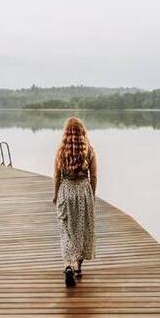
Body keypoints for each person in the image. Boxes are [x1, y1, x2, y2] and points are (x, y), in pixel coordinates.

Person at [52, 117, 97, 287]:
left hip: (66, 191)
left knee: (66, 229)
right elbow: (93, 177)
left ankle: (68, 265)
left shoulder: (61, 151)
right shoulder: (89, 151)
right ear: (82, 132)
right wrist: (92, 195)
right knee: (82, 229)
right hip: (83, 191)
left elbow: (57, 176)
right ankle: (78, 267)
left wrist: (56, 195)